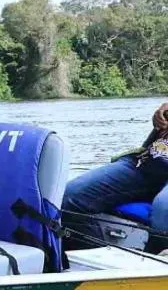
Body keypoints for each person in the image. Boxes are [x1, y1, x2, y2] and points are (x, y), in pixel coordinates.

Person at [62, 102, 168, 253]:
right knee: (70, 196)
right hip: (145, 162)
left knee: (164, 207)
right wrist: (161, 116)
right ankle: (101, 267)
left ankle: (155, 266)